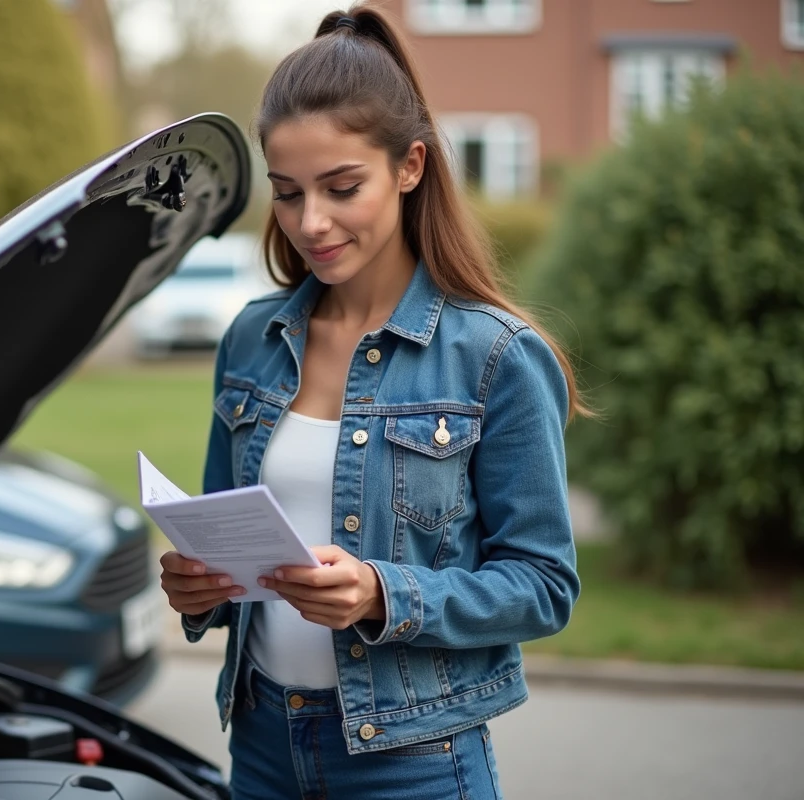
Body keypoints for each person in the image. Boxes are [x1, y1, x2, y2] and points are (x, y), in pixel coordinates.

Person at [158, 6, 583, 799]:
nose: (310, 223)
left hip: (412, 765)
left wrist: (384, 592)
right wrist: (198, 588)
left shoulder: (493, 356)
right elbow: (226, 535)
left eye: (341, 187)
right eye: (287, 194)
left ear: (410, 166)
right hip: (260, 744)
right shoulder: (251, 340)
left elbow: (543, 584)